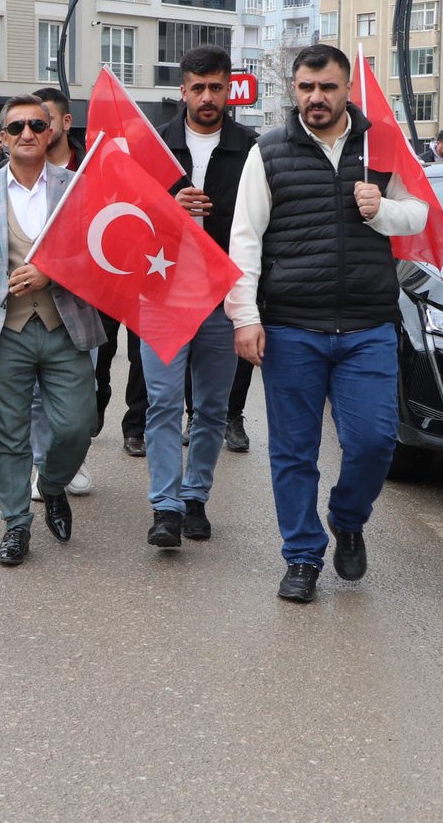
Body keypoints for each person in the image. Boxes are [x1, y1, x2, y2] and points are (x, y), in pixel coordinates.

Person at [226, 44, 427, 602]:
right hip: (293, 327)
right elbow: (244, 241)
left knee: (373, 441)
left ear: (346, 91)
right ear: (295, 90)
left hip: (367, 327)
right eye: (307, 88)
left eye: (328, 88)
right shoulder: (268, 151)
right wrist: (245, 317)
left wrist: (381, 208)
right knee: (293, 451)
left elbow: (421, 212)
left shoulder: (382, 146)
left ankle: (347, 516)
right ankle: (302, 556)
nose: (317, 98)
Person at [0, 95, 107, 567]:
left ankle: (52, 484)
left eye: (37, 124)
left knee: (77, 427)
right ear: (2, 136)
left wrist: (50, 272)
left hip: (66, 327)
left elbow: (95, 257)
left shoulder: (76, 186)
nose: (27, 134)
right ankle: (16, 525)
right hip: (5, 331)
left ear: (51, 130)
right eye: (16, 127)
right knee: (11, 436)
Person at [140, 45, 259, 547]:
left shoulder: (253, 147)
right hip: (163, 295)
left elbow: (260, 227)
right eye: (198, 87)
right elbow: (126, 216)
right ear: (182, 90)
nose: (208, 97)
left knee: (211, 409)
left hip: (223, 296)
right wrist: (169, 206)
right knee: (164, 402)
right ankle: (165, 506)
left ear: (228, 88)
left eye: (217, 87)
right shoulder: (153, 146)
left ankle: (195, 499)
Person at [22, 89, 95, 499]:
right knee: (34, 396)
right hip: (26, 307)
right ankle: (41, 464)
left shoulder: (90, 170)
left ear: (62, 124)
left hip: (80, 304)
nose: (33, 129)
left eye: (41, 120)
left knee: (78, 396)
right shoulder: (15, 169)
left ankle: (73, 457)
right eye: (25, 123)